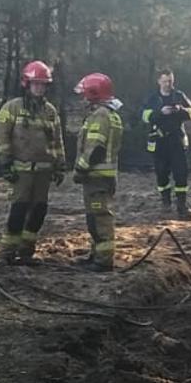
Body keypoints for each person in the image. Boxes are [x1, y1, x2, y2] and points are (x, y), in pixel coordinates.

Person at [0, 61, 65, 264]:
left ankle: (26, 251)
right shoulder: (12, 108)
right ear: (27, 83)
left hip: (43, 172)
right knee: (18, 210)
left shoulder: (50, 111)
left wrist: (60, 165)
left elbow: (57, 140)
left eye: (43, 84)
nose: (39, 88)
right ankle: (8, 252)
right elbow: (1, 134)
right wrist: (6, 163)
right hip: (21, 171)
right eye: (36, 84)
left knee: (39, 211)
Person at [72, 72, 125, 271]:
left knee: (100, 218)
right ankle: (96, 254)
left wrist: (80, 169)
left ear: (93, 94)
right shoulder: (109, 114)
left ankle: (103, 260)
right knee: (94, 216)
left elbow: (95, 147)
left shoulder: (100, 115)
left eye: (84, 94)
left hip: (96, 178)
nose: (82, 98)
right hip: (102, 178)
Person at [139, 69, 191, 219]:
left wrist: (180, 109)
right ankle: (166, 202)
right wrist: (159, 112)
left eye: (170, 81)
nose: (168, 84)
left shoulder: (178, 95)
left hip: (176, 140)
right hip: (159, 142)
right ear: (159, 81)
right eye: (165, 81)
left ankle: (182, 205)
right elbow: (143, 116)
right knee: (161, 173)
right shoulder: (152, 98)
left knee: (181, 173)